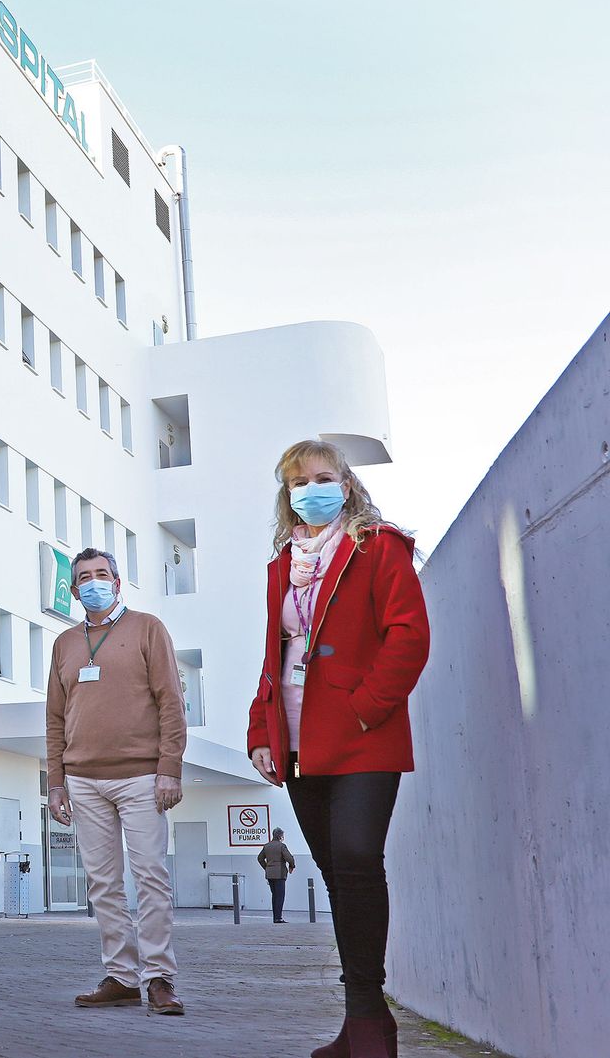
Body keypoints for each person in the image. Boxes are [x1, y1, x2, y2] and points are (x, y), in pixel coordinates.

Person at [246, 439, 429, 1058]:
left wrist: (364, 709)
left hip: (362, 737)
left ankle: (373, 1023)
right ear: (287, 493)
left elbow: (409, 635)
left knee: (355, 858)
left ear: (346, 485)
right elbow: (276, 659)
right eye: (299, 481)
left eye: (324, 478)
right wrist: (260, 731)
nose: (311, 489)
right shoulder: (282, 565)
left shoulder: (378, 547)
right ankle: (358, 1022)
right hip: (299, 740)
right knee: (337, 874)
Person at [47, 548, 187, 1016]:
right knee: (103, 883)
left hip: (143, 777)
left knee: (150, 877)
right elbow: (54, 717)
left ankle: (159, 978)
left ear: (118, 581)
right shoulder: (65, 643)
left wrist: (171, 766)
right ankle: (122, 977)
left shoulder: (148, 628)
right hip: (83, 780)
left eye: (101, 575)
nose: (93, 582)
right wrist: (56, 781)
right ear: (73, 590)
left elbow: (171, 701)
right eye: (83, 577)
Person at [258, 827, 297, 923]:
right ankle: (278, 918)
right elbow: (289, 858)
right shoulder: (282, 846)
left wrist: (267, 868)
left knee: (274, 895)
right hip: (280, 874)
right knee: (280, 896)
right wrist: (292, 866)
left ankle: (275, 917)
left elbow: (260, 858)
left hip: (270, 875)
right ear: (280, 836)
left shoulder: (266, 846)